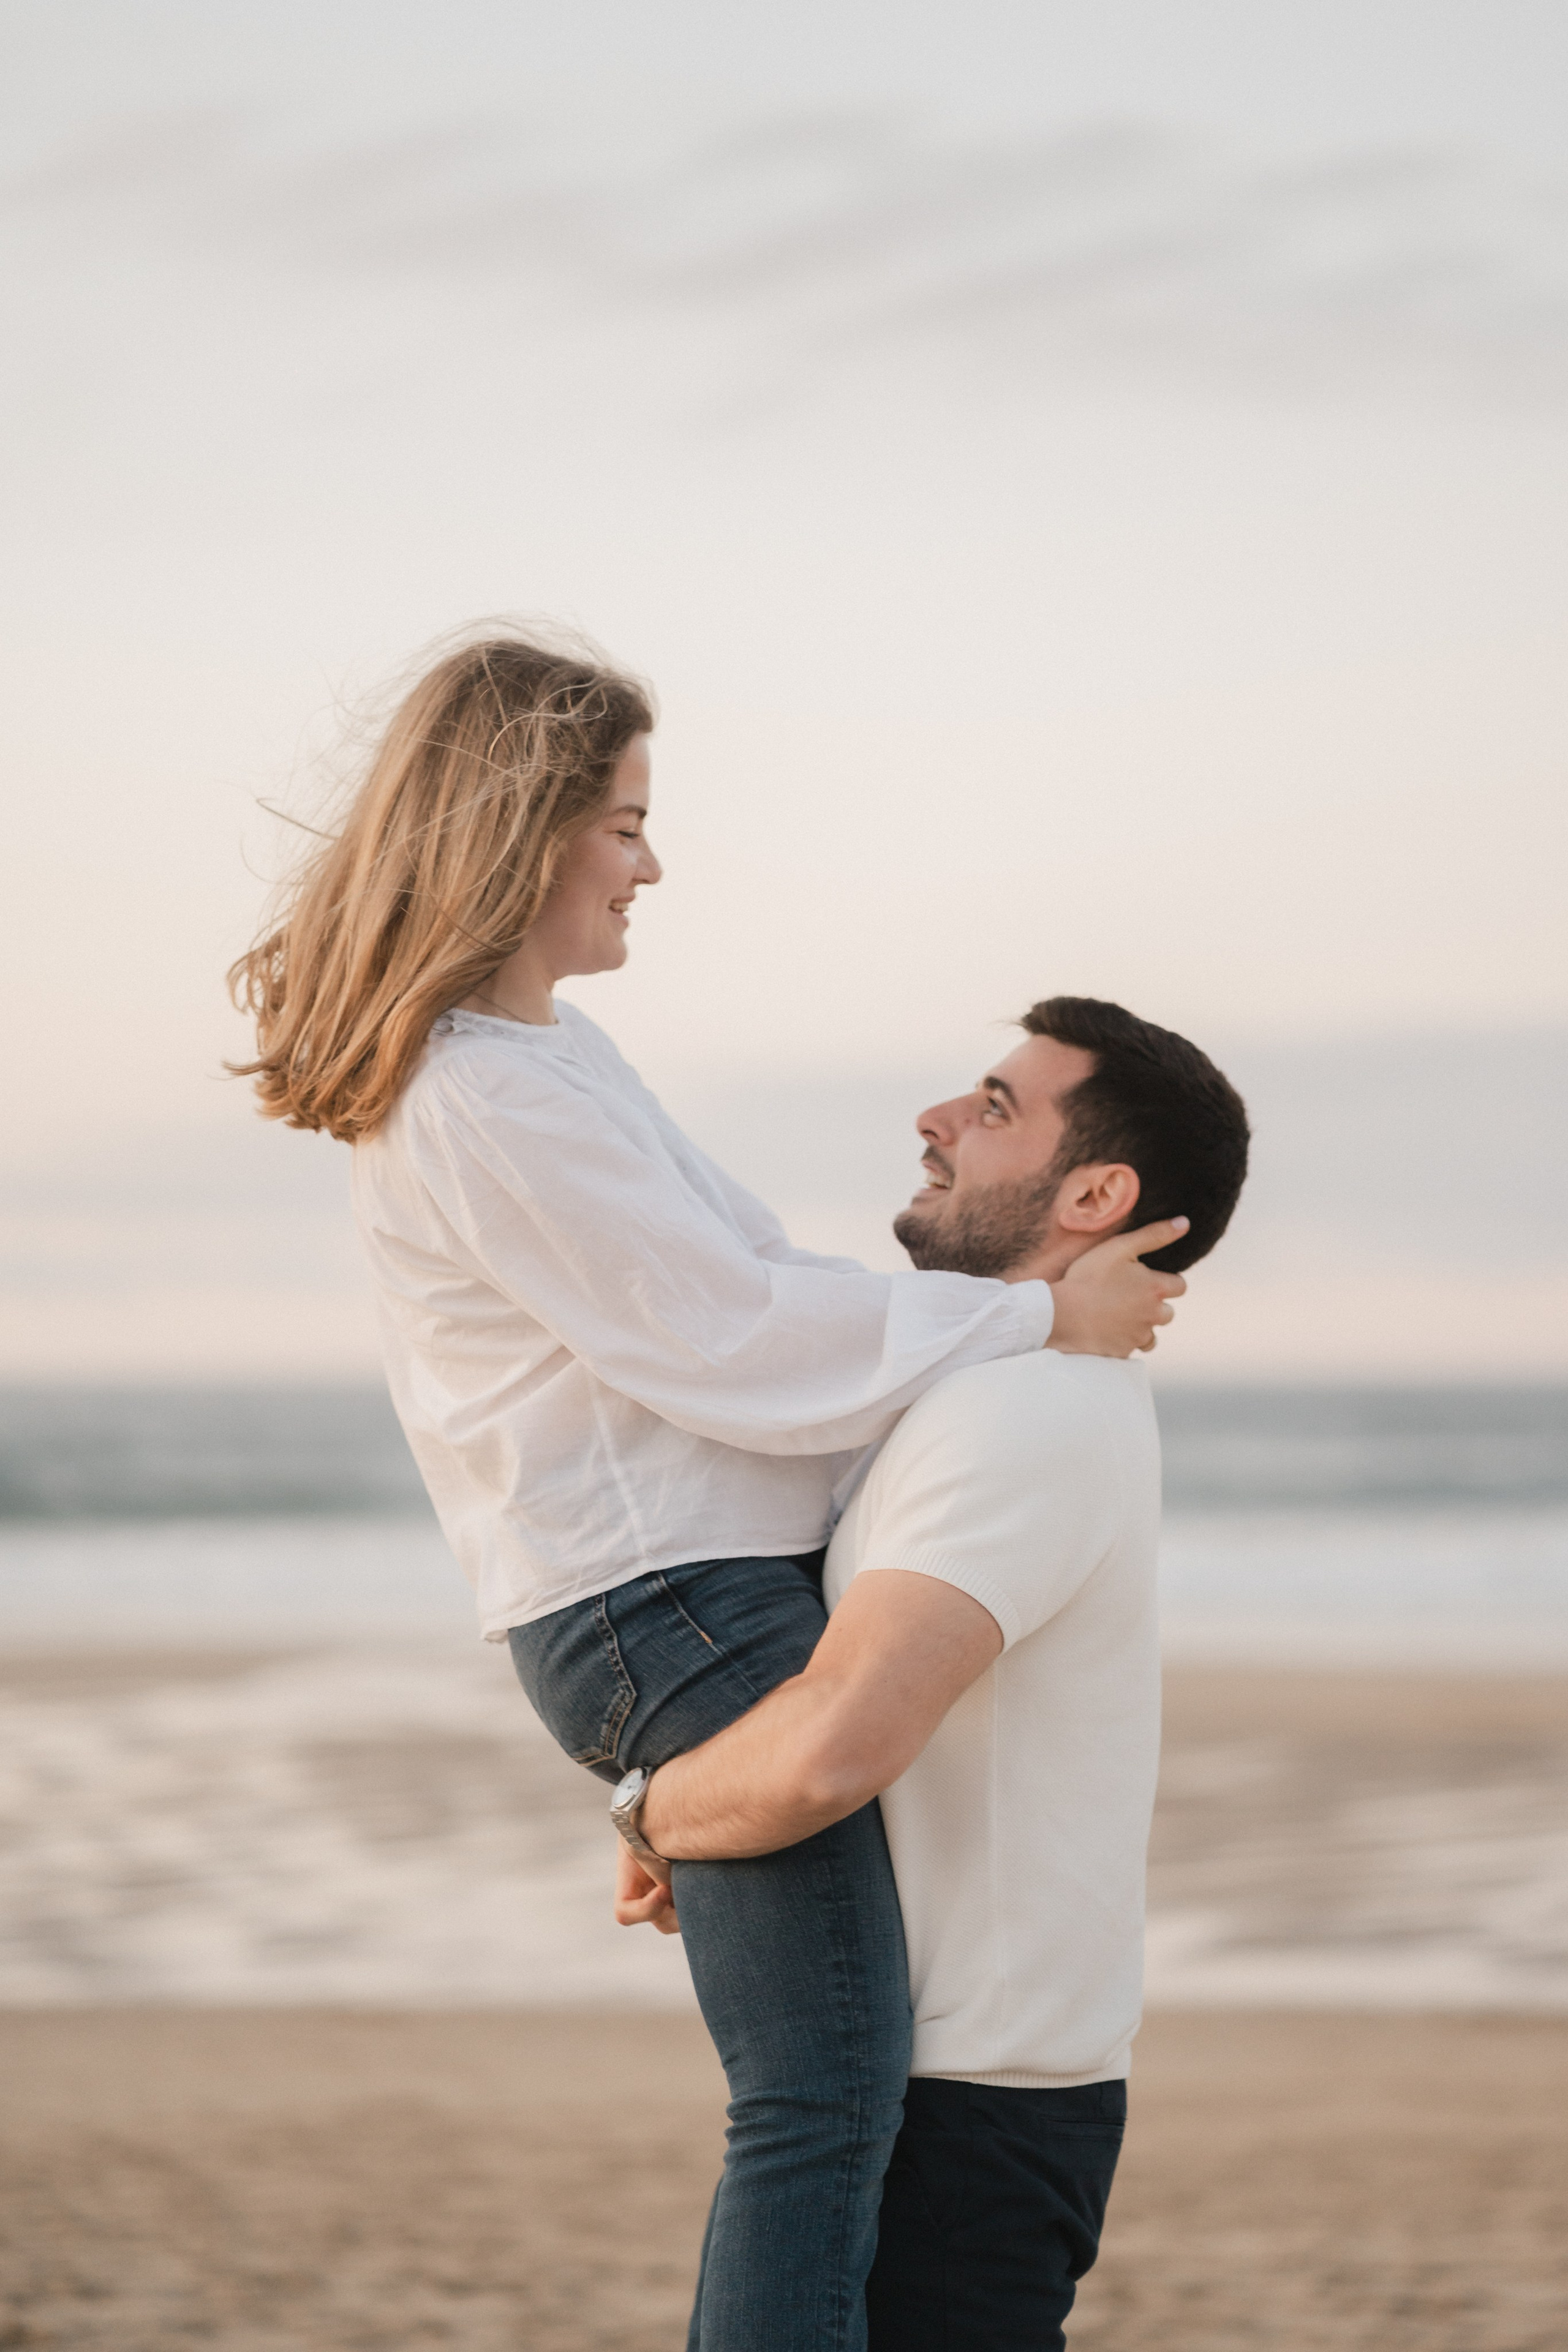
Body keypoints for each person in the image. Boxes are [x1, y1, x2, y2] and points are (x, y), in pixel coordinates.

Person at [228, 633, 1186, 2352]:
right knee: (816, 2104)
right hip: (665, 1608)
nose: (651, 863)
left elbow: (754, 1276)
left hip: (690, 1603)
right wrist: (1043, 1308)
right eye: (625, 823)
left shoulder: (552, 1061)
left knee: (825, 2099)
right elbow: (730, 1335)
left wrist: (683, 1802)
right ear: (520, 832)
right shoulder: (476, 1096)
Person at [615, 995, 1250, 2351]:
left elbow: (838, 1745)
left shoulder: (1024, 1415)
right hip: (958, 2079)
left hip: (974, 2098)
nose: (936, 1120)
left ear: (1097, 1190)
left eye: (995, 1106)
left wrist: (652, 1811)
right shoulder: (991, 1386)